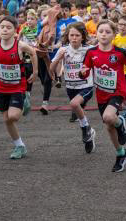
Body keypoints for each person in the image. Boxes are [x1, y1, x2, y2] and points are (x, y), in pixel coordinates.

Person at [80, 20, 126, 173]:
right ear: (96, 34)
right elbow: (85, 69)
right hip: (101, 94)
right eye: (101, 31)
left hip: (117, 92)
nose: (103, 34)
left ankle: (121, 122)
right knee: (108, 125)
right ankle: (121, 153)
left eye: (107, 32)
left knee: (109, 117)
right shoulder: (91, 53)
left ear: (114, 35)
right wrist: (82, 73)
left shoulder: (119, 53)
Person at [0, 16, 38, 159]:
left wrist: (35, 71)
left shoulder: (20, 45)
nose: (5, 30)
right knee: (7, 119)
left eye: (8, 27)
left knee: (13, 116)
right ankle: (19, 146)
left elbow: (33, 53)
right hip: (2, 87)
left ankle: (25, 100)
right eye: (2, 27)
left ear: (15, 31)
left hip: (18, 86)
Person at [50, 22, 95, 153]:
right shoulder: (63, 50)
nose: (74, 38)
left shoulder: (89, 49)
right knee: (78, 109)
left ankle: (85, 128)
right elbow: (51, 69)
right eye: (71, 35)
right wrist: (58, 58)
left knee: (74, 104)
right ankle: (90, 134)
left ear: (82, 37)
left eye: (77, 35)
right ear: (67, 36)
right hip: (70, 87)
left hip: (86, 86)